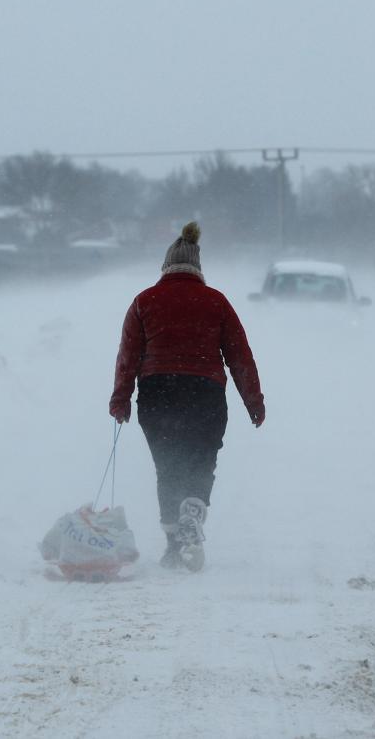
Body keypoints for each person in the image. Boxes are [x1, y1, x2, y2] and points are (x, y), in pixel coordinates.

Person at [109, 221, 264, 571]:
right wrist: (254, 401)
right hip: (204, 393)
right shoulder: (216, 302)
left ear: (166, 266)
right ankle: (193, 509)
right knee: (200, 460)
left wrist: (120, 399)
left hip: (157, 392)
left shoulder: (144, 301)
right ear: (197, 267)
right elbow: (240, 355)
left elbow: (127, 356)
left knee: (168, 467)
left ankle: (174, 546)